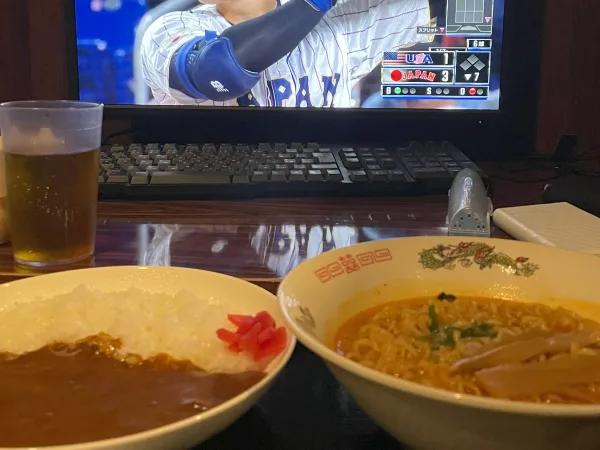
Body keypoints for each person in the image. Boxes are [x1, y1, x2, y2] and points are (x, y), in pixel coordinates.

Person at [141, 0, 432, 107]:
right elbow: (219, 71)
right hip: (217, 212)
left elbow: (459, 11)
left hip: (325, 201)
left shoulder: (341, 23)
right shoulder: (170, 28)